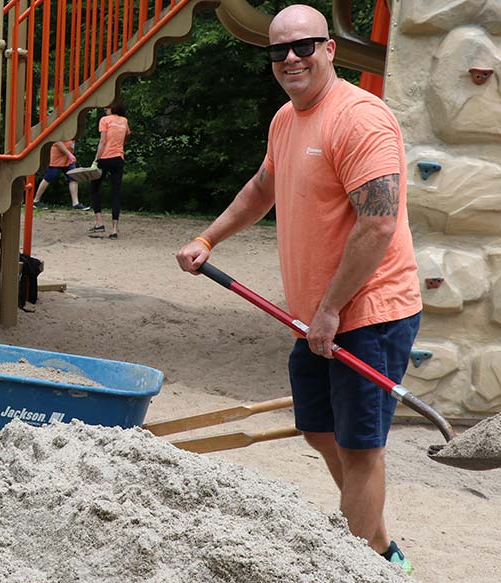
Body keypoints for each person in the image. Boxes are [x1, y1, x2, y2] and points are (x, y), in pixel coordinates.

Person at [174, 5, 421, 575]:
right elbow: (266, 184)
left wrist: (332, 309)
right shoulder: (287, 119)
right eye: (278, 50)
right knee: (317, 428)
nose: (290, 58)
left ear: (330, 48)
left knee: (361, 447)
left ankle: (355, 567)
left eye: (303, 46)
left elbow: (378, 222)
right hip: (314, 314)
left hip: (369, 311)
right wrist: (208, 239)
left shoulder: (361, 118)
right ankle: (382, 550)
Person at [88, 101, 130, 239]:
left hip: (105, 157)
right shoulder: (124, 121)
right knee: (116, 193)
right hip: (118, 158)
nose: (105, 109)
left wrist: (96, 160)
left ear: (112, 108)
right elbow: (125, 138)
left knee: (94, 188)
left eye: (107, 107)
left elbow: (103, 142)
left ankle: (99, 222)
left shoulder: (104, 120)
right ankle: (114, 230)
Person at [31, 140, 89, 211]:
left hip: (68, 158)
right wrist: (69, 154)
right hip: (57, 156)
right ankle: (36, 201)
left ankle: (76, 203)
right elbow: (57, 141)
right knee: (49, 177)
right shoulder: (61, 131)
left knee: (73, 177)